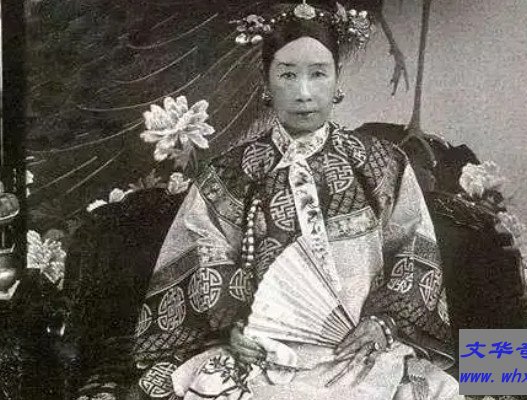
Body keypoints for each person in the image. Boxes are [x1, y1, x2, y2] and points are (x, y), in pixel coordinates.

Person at [132, 2, 462, 399]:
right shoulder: (232, 171)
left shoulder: (382, 165)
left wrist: (383, 324)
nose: (304, 93)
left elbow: (412, 250)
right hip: (262, 356)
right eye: (287, 75)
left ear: (337, 80)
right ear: (266, 82)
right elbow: (208, 251)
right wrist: (234, 327)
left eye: (318, 74)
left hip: (360, 352)